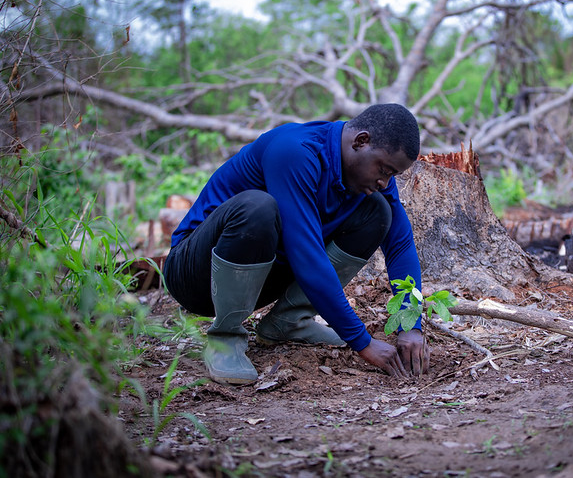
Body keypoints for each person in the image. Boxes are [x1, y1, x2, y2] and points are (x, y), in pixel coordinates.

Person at [163, 103, 428, 385]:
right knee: (258, 207)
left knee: (377, 211)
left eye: (392, 175)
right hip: (195, 275)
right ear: (361, 141)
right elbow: (307, 256)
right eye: (383, 169)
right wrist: (362, 342)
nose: (384, 181)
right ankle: (225, 335)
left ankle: (288, 322)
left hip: (259, 277)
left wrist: (410, 323)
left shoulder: (369, 176)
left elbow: (400, 245)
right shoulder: (295, 151)